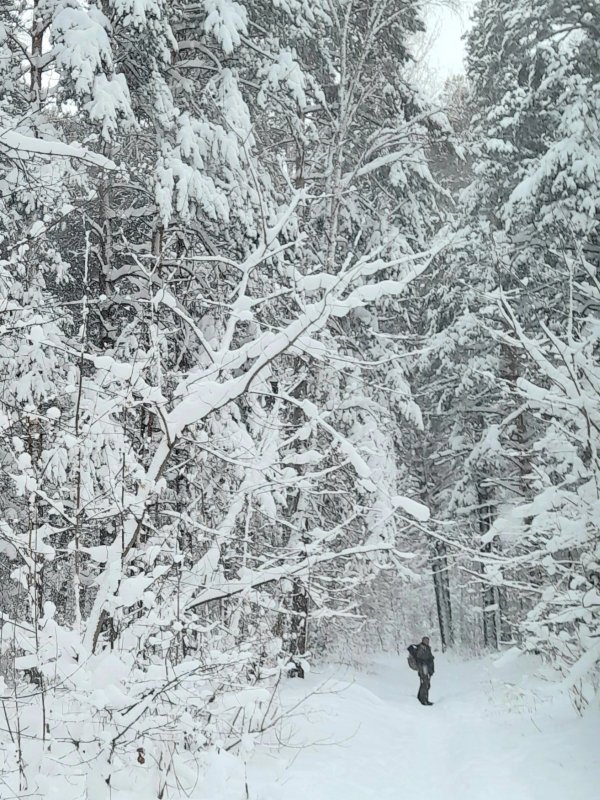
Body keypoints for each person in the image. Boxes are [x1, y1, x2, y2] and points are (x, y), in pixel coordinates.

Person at [407, 636, 435, 706]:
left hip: (425, 668)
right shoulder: (422, 648)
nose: (427, 642)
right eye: (425, 640)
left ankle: (422, 698)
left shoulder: (427, 648)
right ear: (423, 641)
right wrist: (428, 660)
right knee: (425, 683)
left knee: (425, 683)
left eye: (427, 641)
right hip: (423, 668)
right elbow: (421, 658)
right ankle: (423, 700)